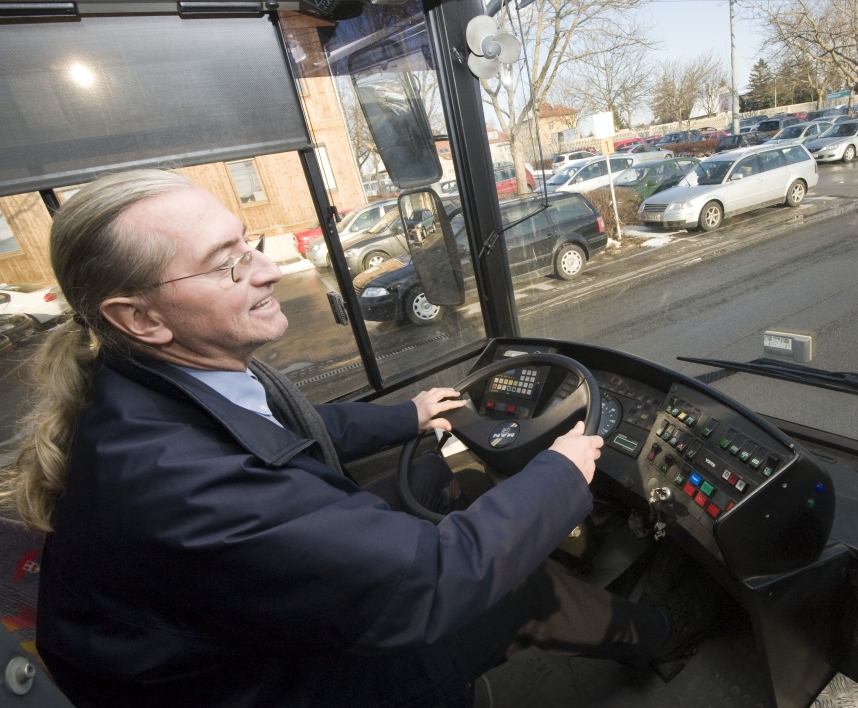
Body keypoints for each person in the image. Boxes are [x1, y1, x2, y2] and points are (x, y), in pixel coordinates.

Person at [1, 170, 717, 707]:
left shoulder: (149, 387)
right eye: (227, 263)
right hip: (285, 686)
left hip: (228, 640)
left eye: (248, 244)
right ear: (142, 317)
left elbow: (284, 432)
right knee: (517, 590)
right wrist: (562, 474)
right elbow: (436, 580)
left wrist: (408, 416)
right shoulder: (181, 488)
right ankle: (662, 638)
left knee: (456, 484)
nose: (268, 270)